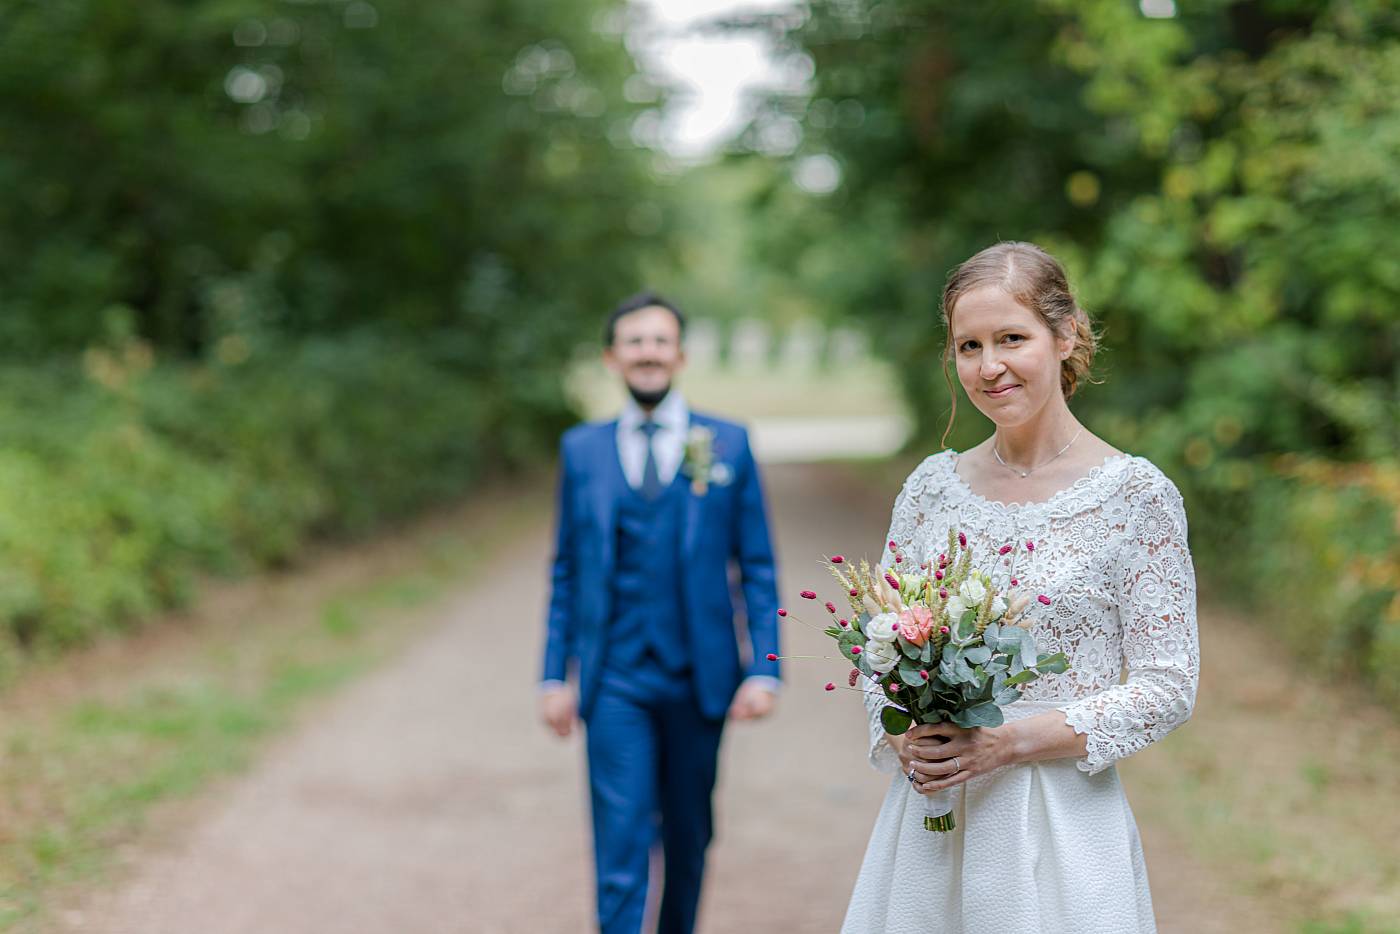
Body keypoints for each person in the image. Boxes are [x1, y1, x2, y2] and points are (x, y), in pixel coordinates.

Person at [842, 242, 1199, 934]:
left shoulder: (1136, 497)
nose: (989, 366)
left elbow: (1168, 684)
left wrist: (1009, 742)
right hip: (935, 823)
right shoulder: (930, 489)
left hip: (1063, 823)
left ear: (1065, 337)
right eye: (969, 346)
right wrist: (904, 735)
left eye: (1011, 338)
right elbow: (878, 645)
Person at [539, 291, 782, 934]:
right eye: (634, 341)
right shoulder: (581, 449)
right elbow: (565, 569)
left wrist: (765, 667)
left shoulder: (728, 442)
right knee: (619, 839)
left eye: (659, 340)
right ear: (612, 357)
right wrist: (552, 675)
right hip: (614, 678)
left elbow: (757, 566)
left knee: (688, 835)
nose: (647, 352)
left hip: (699, 677)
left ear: (680, 354)